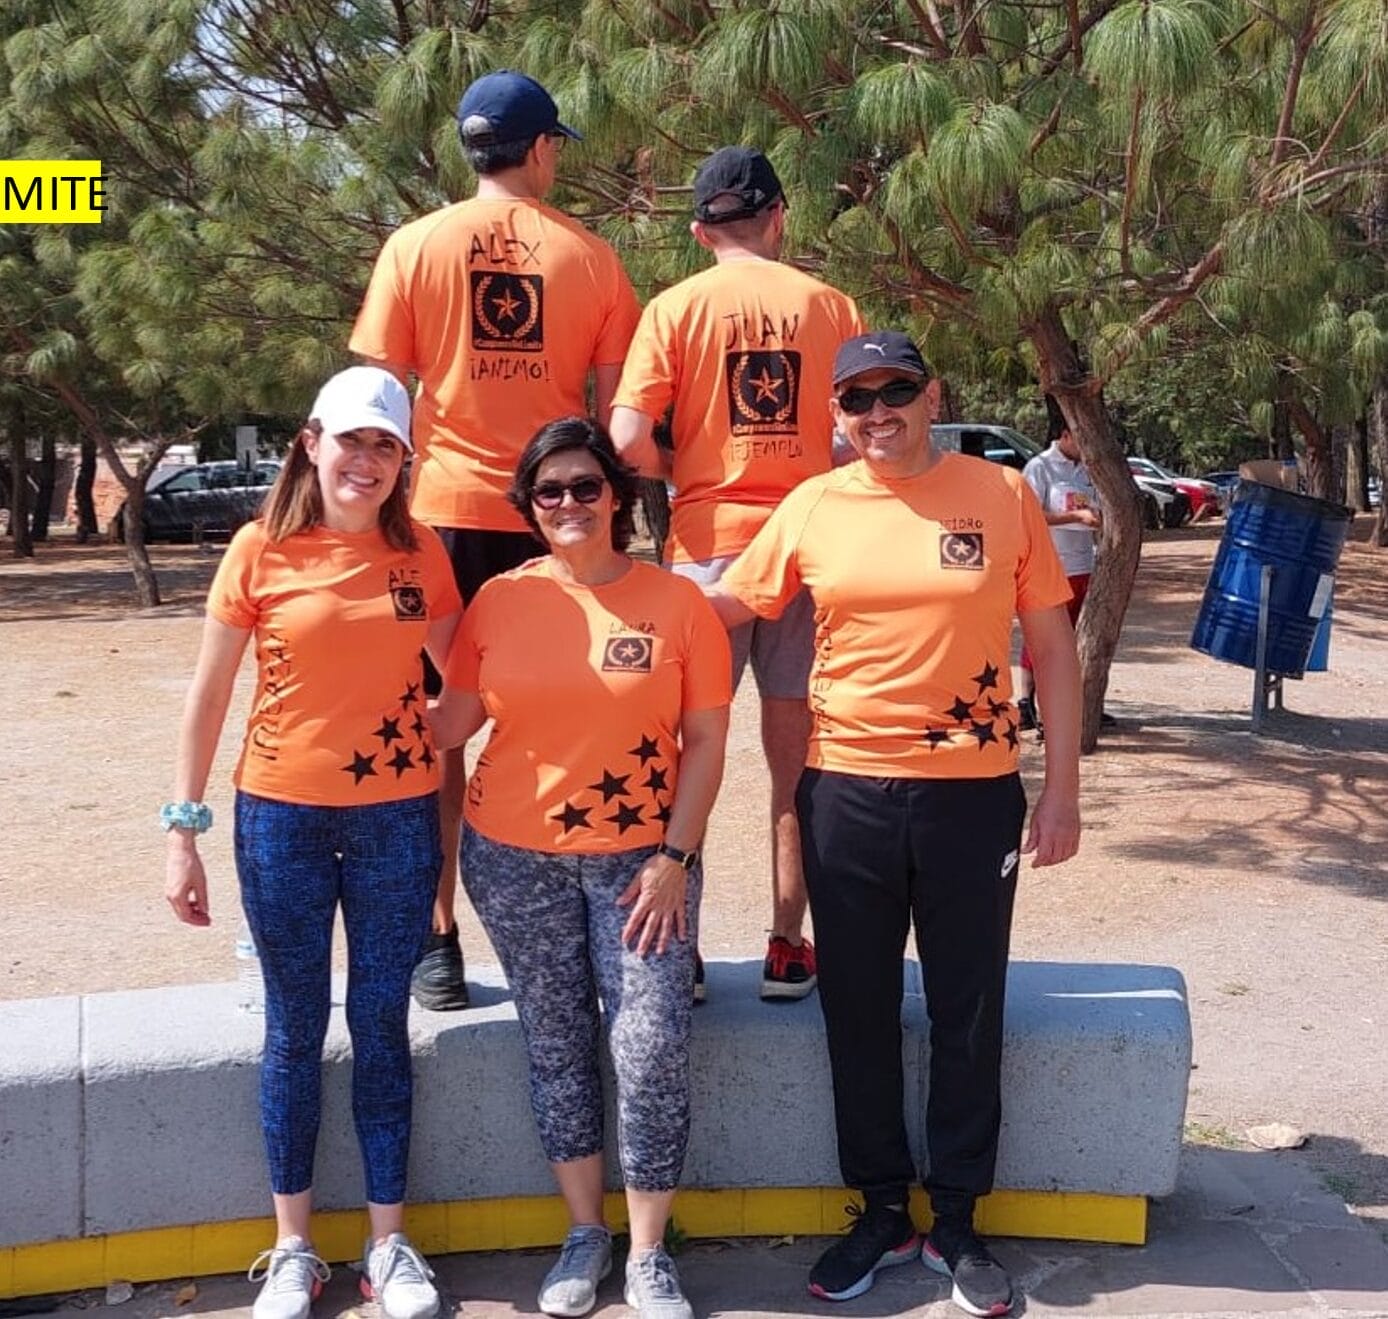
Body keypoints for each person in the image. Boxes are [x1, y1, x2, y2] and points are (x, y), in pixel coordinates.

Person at [707, 333, 1082, 1317]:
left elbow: (1051, 645)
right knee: (857, 1009)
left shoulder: (1001, 494)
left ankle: (955, 1216)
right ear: (836, 413)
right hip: (845, 793)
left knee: (967, 1007)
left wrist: (1062, 790)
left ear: (932, 394)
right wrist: (596, 592)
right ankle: (879, 1206)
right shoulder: (813, 504)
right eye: (856, 398)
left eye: (896, 390)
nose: (878, 412)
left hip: (973, 794)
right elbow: (726, 603)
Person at [163, 367, 462, 1319]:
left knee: (380, 1023)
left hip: (397, 820)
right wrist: (183, 831)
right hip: (280, 816)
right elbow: (210, 693)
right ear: (311, 442)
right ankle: (293, 1247)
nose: (366, 461)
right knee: (293, 1028)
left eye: (386, 446)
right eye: (351, 440)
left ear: (404, 461)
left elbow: (466, 680)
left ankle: (388, 1244)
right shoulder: (259, 548)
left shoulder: (423, 554)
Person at [351, 69, 642, 1011]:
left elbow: (374, 400)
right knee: (582, 714)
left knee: (435, 732)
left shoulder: (412, 246)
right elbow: (613, 419)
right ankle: (616, 934)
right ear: (543, 148)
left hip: (437, 517)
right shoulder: (592, 258)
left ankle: (435, 938)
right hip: (556, 516)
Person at [430, 417, 731, 1319]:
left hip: (644, 867)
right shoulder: (499, 601)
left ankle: (648, 1252)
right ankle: (584, 1231)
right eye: (549, 490)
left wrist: (676, 857)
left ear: (618, 496)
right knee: (556, 1041)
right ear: (528, 506)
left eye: (585, 485)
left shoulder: (676, 603)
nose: (568, 502)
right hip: (512, 861)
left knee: (650, 1045)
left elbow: (707, 741)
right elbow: (451, 725)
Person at [609, 145, 863, 1001]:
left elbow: (625, 439)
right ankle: (788, 945)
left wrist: (684, 468)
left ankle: (677, 952)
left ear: (699, 232)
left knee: (687, 754)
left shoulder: (674, 308)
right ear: (780, 218)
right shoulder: (829, 305)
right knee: (800, 758)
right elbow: (852, 438)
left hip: (704, 551)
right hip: (808, 546)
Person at [1017, 396, 1108, 737]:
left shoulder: (1088, 468)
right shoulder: (1040, 467)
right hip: (1052, 566)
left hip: (1084, 562)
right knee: (1045, 639)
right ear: (1065, 435)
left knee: (1077, 638)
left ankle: (1079, 703)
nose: (1087, 447)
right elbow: (1029, 515)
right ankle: (1028, 704)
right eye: (1081, 438)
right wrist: (1073, 517)